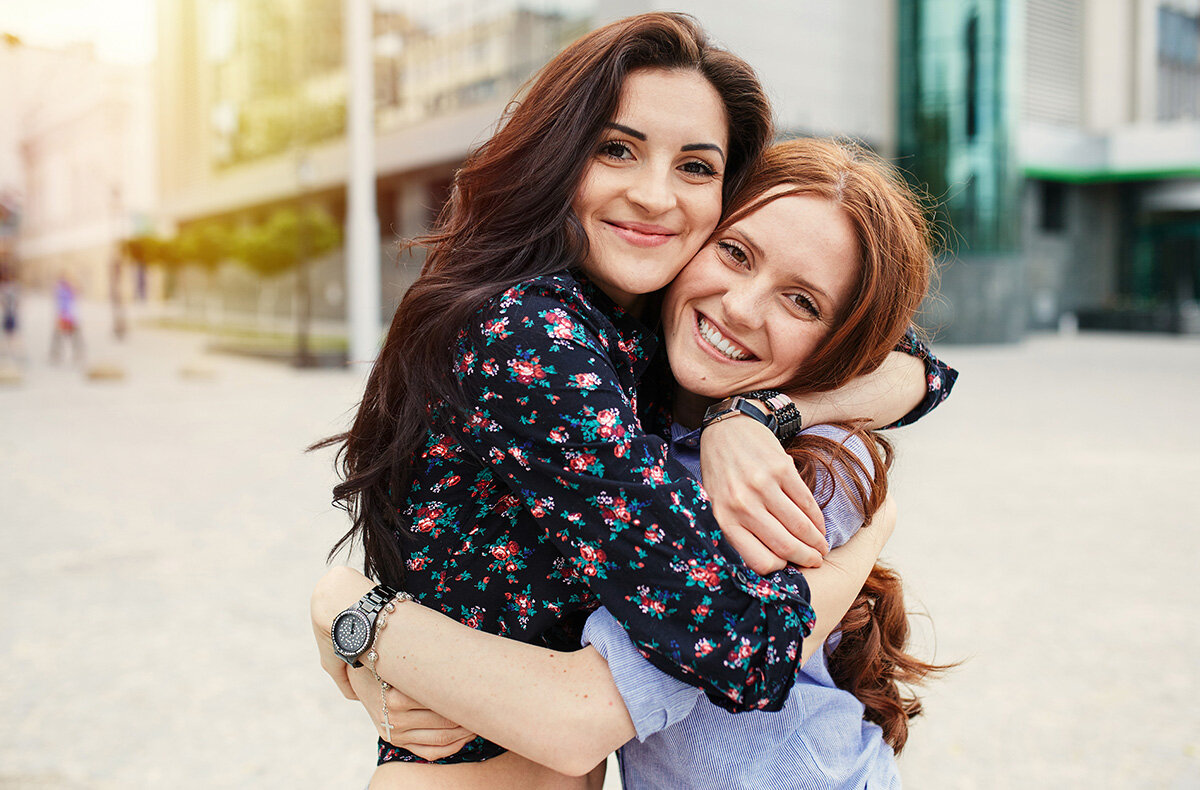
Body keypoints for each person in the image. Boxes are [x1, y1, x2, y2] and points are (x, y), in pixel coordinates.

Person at [315, 13, 953, 785]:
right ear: (559, 154)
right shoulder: (532, 333)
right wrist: (348, 612)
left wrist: (755, 416)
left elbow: (918, 364)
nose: (654, 196)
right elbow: (744, 645)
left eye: (695, 167)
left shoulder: (635, 339)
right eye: (617, 149)